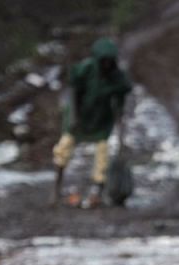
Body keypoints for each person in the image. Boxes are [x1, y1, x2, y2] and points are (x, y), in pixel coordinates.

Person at [52, 38, 133, 208]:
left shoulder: (117, 77)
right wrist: (74, 117)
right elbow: (74, 91)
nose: (106, 65)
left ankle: (97, 192)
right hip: (80, 114)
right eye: (103, 62)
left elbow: (120, 105)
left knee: (102, 154)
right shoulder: (86, 69)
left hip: (101, 119)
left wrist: (121, 134)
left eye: (109, 62)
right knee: (63, 148)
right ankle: (56, 189)